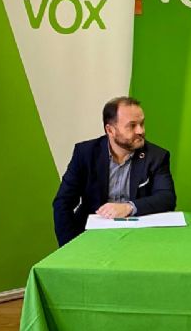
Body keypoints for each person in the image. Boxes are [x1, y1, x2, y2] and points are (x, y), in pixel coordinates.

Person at [53, 97, 176, 246]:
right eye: (132, 126)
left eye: (142, 124)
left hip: (139, 237)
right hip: (91, 236)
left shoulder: (156, 156)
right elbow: (63, 202)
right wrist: (69, 246)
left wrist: (129, 207)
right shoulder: (85, 153)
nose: (141, 131)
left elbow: (166, 198)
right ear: (110, 130)